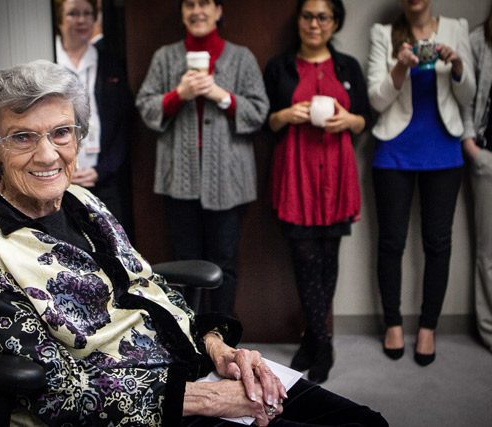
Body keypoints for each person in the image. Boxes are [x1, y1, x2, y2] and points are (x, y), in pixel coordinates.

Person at [0, 60, 388, 426]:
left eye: (61, 133)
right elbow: (49, 391)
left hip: (189, 368)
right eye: (22, 137)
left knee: (366, 422)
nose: (49, 154)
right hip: (135, 408)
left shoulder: (82, 201)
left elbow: (146, 284)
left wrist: (216, 348)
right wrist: (209, 399)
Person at [135, 0, 269, 317]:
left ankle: (222, 333)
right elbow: (146, 106)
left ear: (219, 11)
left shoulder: (240, 57)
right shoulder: (165, 57)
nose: (197, 11)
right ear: (182, 13)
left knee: (225, 261)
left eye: (205, 3)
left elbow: (259, 112)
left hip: (228, 179)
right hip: (179, 180)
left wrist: (220, 95)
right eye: (190, 4)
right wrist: (178, 94)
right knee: (183, 262)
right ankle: (191, 338)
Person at [263, 0, 369, 384]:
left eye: (323, 16)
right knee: (306, 263)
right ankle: (323, 345)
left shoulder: (348, 67)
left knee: (328, 263)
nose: (314, 23)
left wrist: (350, 119)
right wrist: (285, 115)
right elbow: (266, 121)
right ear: (299, 20)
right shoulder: (280, 66)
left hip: (336, 179)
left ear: (335, 22)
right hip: (296, 176)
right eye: (308, 15)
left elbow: (365, 119)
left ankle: (315, 341)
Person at [367, 0, 475, 365]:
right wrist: (400, 66)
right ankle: (393, 324)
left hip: (443, 148)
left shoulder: (456, 27)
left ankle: (428, 327)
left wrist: (458, 64)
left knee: (438, 242)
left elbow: (468, 95)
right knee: (391, 241)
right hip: (394, 149)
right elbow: (376, 100)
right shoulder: (383, 34)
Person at [54, 0, 134, 237]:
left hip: (102, 178)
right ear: (59, 20)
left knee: (112, 246)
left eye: (87, 14)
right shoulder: (48, 61)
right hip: (57, 179)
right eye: (73, 14)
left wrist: (103, 169)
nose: (81, 20)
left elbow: (123, 126)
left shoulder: (110, 64)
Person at [462, 6, 492, 353]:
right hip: (486, 156)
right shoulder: (478, 40)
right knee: (488, 250)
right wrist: (471, 146)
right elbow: (468, 100)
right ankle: (488, 329)